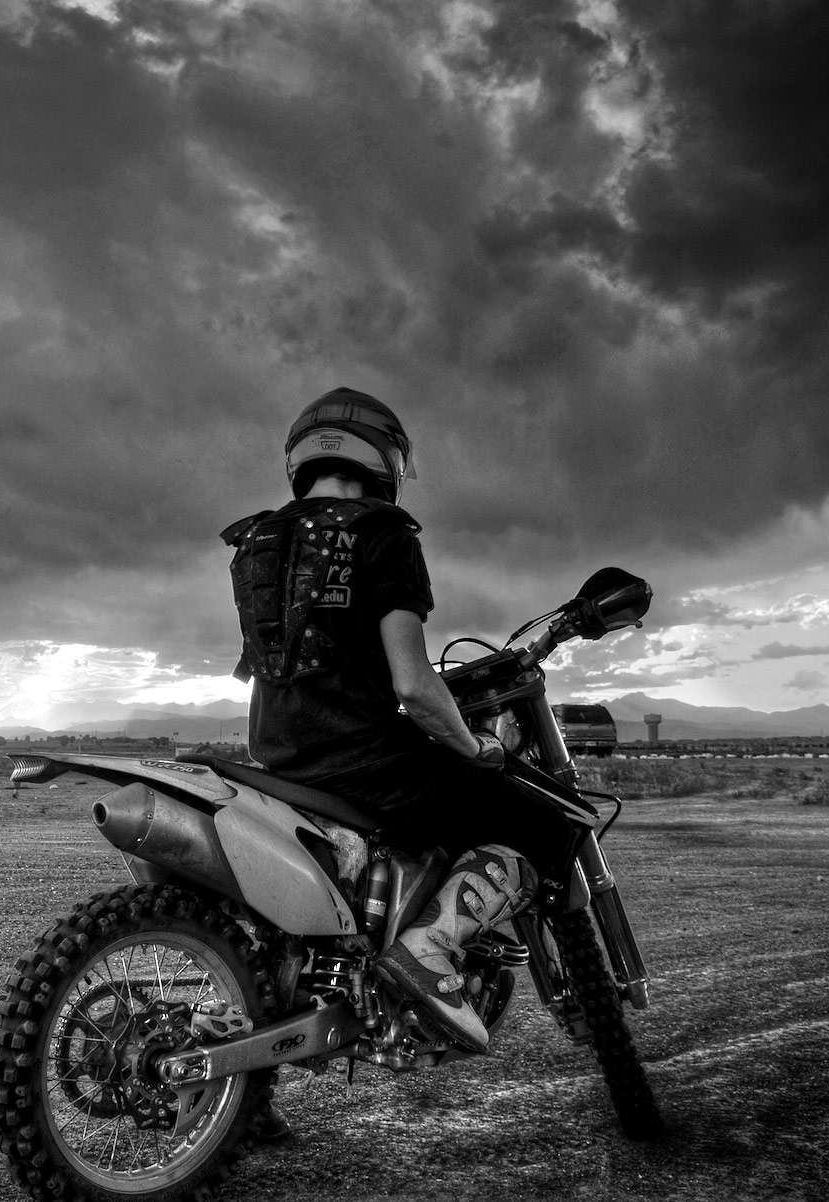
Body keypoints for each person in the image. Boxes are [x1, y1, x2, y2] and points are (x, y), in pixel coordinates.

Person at [222, 388, 583, 1076]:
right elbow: (415, 686)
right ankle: (429, 948)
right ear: (385, 456)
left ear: (302, 457)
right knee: (544, 826)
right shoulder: (384, 533)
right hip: (364, 760)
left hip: (278, 757)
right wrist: (473, 746)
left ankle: (254, 1091)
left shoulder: (255, 542)